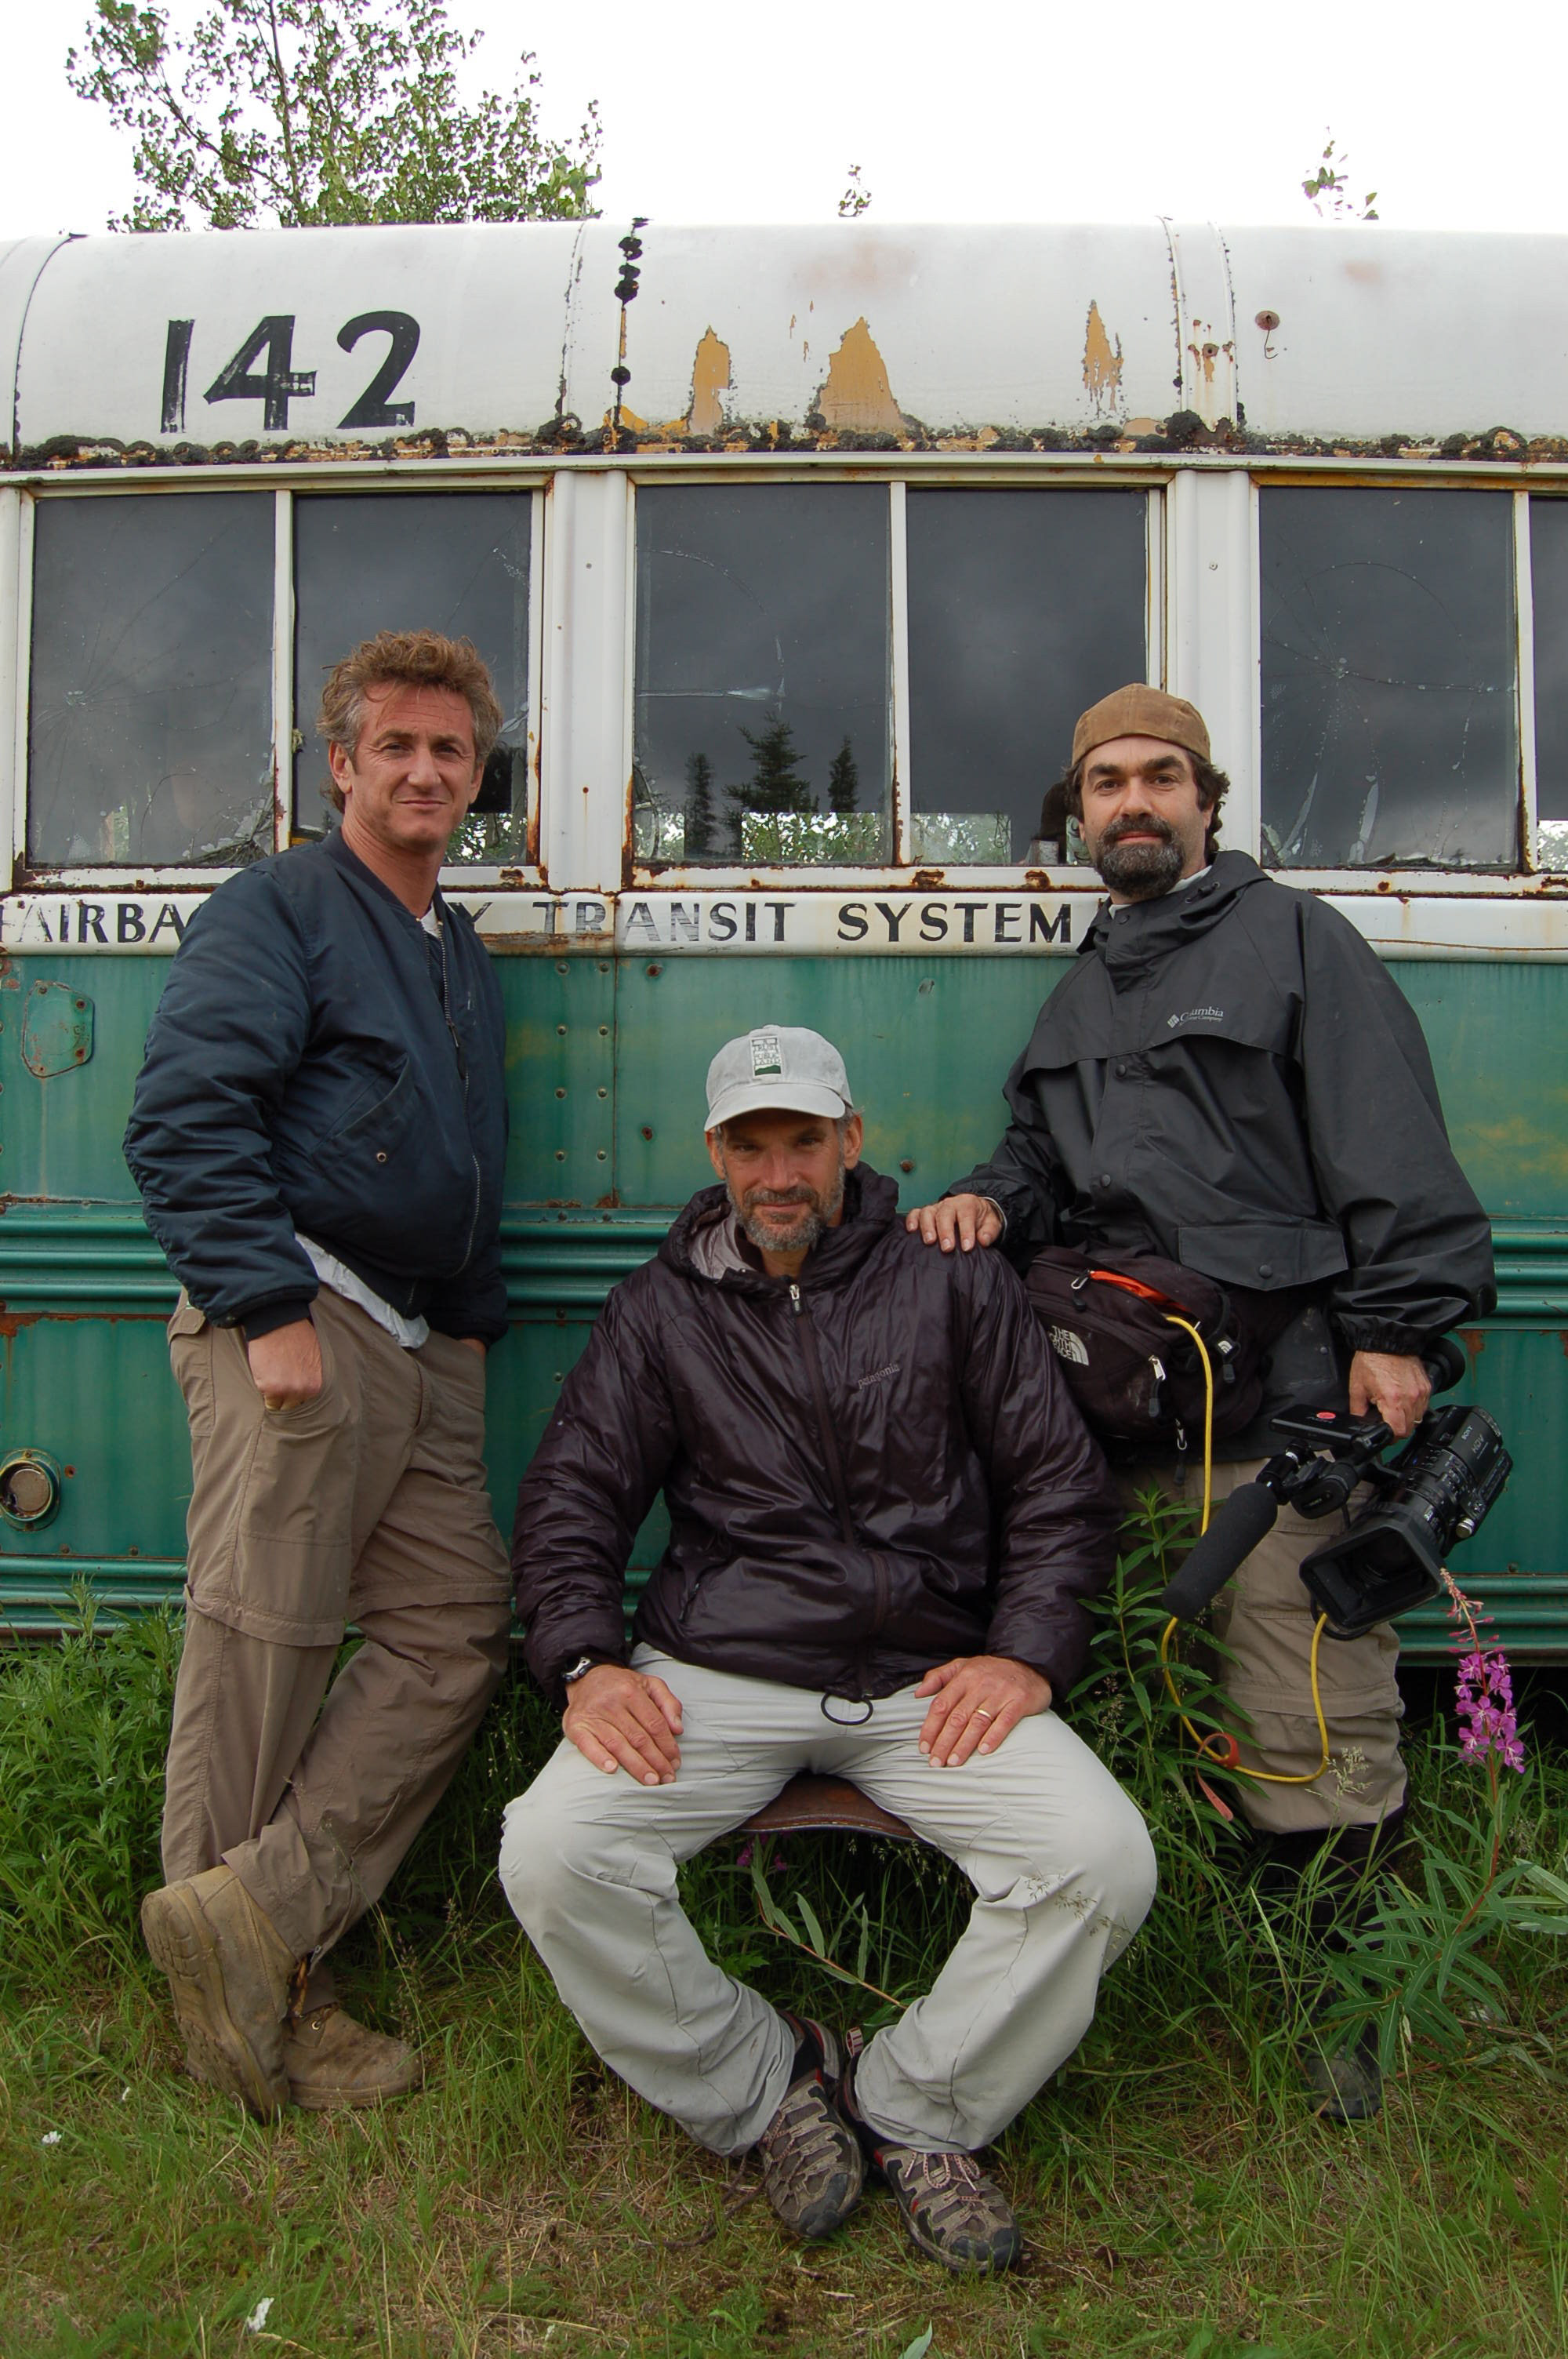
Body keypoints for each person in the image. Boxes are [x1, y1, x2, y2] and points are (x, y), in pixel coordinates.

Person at [906, 682, 1497, 2117]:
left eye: (1159, 778)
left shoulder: (1298, 941)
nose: (1131, 803)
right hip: (1127, 1417)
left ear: (1208, 803)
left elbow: (1392, 1142)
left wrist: (1400, 1331)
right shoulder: (1080, 984)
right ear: (1080, 815)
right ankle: (1150, 1959)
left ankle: (1343, 2004)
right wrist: (987, 1201)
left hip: (1287, 1412)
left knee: (1310, 1708)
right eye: (1104, 782)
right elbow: (1040, 1159)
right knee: (1146, 1692)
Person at [499, 1027, 1155, 2274]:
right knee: (554, 1847)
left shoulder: (951, 1280)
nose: (780, 1171)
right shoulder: (659, 1309)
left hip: (927, 1674)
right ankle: (767, 2088)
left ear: (852, 1139)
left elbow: (1058, 1486)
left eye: (805, 1139)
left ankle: (915, 2106)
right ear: (715, 1156)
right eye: (752, 1145)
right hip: (723, 1668)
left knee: (1099, 1861)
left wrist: (1028, 1655)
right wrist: (586, 1661)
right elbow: (574, 1493)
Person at [124, 629, 514, 2121]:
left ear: (479, 779)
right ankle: (251, 2024)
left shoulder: (453, 949)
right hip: (302, 1320)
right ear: (339, 764)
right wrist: (263, 1304)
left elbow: (461, 1155)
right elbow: (185, 1114)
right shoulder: (281, 905)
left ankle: (257, 1928)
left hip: (419, 1342)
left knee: (453, 1633)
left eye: (452, 751)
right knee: (263, 1646)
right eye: (395, 746)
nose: (425, 770)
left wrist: (465, 1323)